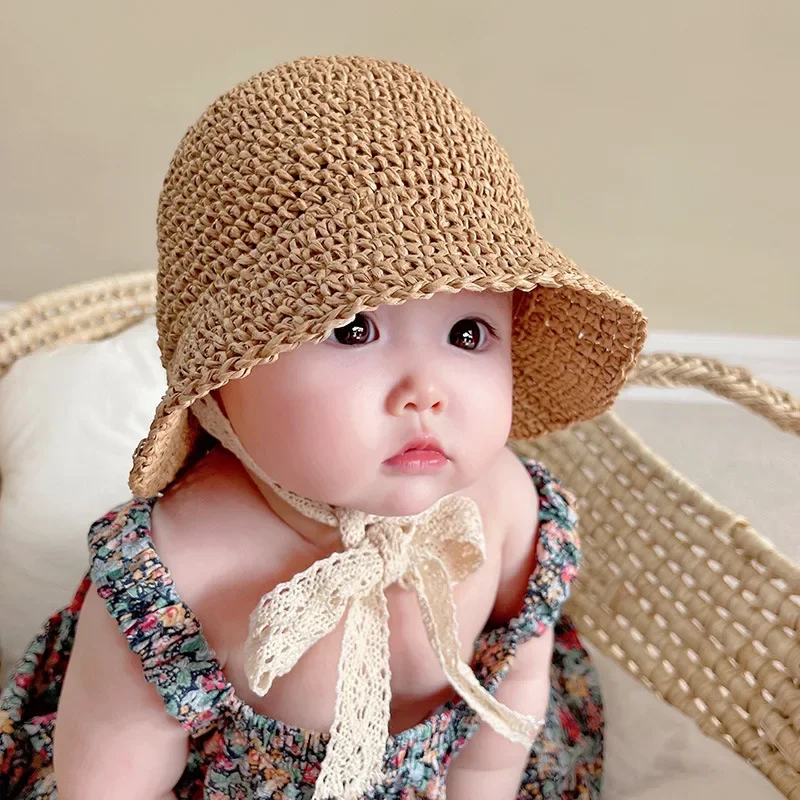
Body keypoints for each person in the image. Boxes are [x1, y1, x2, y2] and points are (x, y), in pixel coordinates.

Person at [0, 55, 646, 799]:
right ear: (223, 377)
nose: (424, 392)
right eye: (351, 329)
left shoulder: (506, 509)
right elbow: (108, 773)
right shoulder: (176, 566)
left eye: (467, 334)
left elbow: (514, 687)